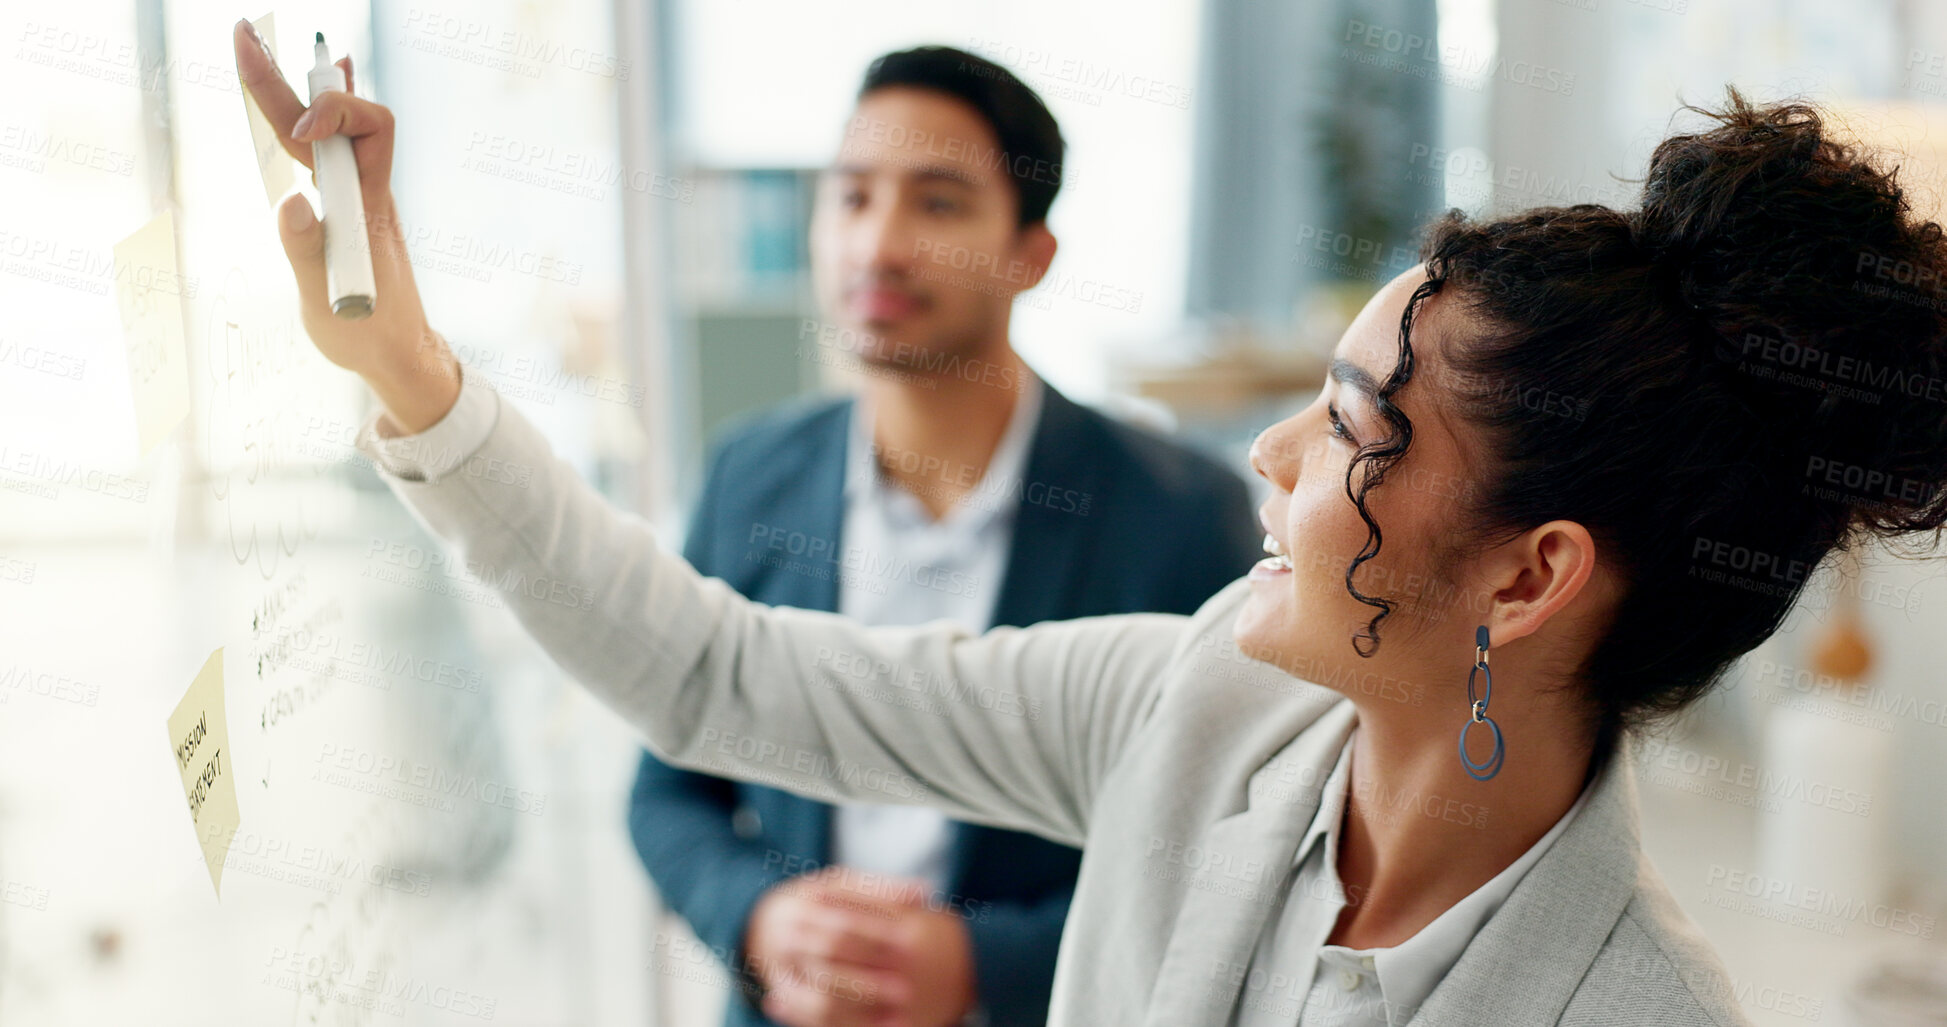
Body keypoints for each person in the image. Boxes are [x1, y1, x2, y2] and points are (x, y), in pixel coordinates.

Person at [235, 19, 1947, 1024]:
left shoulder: (1641, 1011)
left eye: (1351, 420)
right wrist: (409, 369)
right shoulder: (1195, 699)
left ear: (1525, 574)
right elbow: (715, 678)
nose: (1273, 455)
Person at [627, 46, 1259, 1027]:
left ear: (1030, 252)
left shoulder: (1183, 515)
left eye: (938, 202)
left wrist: (981, 965)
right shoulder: (750, 472)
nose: (878, 245)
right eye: (851, 196)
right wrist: (761, 919)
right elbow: (666, 790)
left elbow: (1233, 859)